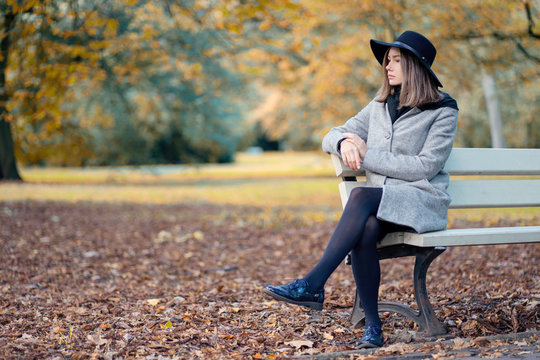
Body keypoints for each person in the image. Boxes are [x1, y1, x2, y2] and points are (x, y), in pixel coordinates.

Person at [263, 30, 459, 349]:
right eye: (387, 61)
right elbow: (332, 134)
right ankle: (372, 327)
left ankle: (313, 284)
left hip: (421, 202)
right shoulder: (379, 105)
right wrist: (343, 141)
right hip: (380, 206)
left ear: (416, 66)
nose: (388, 66)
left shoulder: (443, 110)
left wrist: (368, 154)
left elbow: (425, 166)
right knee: (365, 227)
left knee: (360, 196)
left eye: (396, 60)